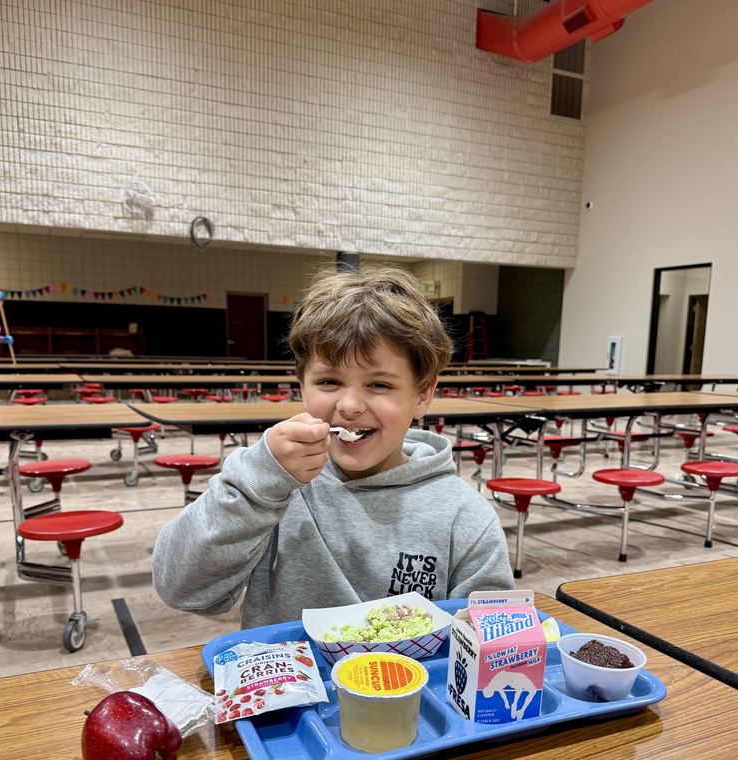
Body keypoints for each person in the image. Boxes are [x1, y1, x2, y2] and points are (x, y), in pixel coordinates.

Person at [152, 266, 513, 628]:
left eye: (379, 385)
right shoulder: (272, 483)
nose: (350, 405)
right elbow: (181, 589)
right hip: (285, 682)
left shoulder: (465, 519)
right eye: (328, 381)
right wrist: (260, 481)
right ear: (302, 385)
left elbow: (487, 641)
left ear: (422, 395)